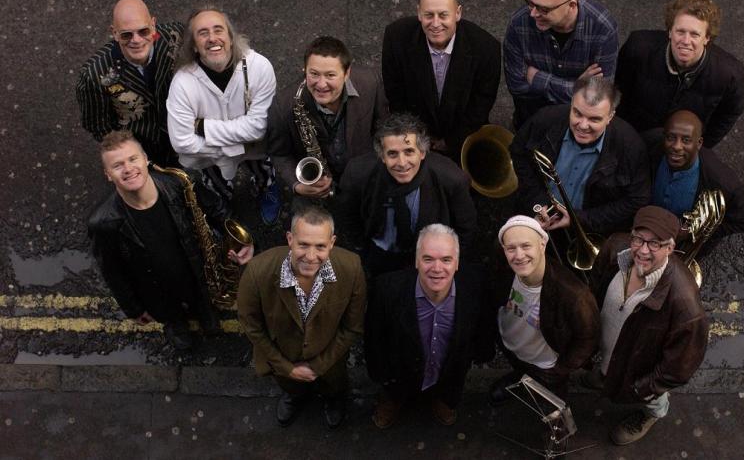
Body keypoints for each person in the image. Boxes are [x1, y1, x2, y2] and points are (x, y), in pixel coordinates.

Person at [88, 131, 253, 351]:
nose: (128, 168)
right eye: (117, 165)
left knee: (201, 299)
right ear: (108, 174)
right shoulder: (102, 223)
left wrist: (241, 239)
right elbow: (112, 271)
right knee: (169, 313)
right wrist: (133, 309)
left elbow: (216, 208)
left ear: (145, 159)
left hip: (195, 271)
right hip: (155, 289)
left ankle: (205, 311)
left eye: (133, 159)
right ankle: (175, 324)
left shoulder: (179, 183)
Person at [585, 206, 708, 445]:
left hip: (640, 373)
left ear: (670, 248)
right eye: (638, 239)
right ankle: (606, 375)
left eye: (655, 244)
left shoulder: (686, 307)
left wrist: (641, 389)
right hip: (611, 353)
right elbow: (594, 288)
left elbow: (677, 369)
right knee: (608, 368)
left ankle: (651, 414)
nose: (643, 250)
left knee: (654, 399)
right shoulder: (614, 248)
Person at [237, 205, 366, 429]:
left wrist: (319, 365)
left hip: (330, 359)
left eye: (320, 246)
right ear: (290, 239)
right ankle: (295, 395)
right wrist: (286, 368)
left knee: (334, 386)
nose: (311, 256)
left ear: (332, 243)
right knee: (291, 386)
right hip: (282, 357)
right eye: (303, 245)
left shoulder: (352, 268)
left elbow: (352, 327)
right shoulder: (257, 271)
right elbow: (252, 327)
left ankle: (333, 398)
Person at [365, 224, 494, 428]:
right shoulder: (386, 289)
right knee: (394, 388)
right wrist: (380, 374)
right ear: (416, 261)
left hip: (449, 368)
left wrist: (479, 354)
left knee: (450, 382)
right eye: (428, 259)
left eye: (446, 260)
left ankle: (442, 399)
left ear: (457, 263)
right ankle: (393, 400)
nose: (437, 268)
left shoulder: (475, 286)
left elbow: (482, 328)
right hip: (399, 370)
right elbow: (375, 338)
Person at [166, 5, 281, 224]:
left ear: (230, 37)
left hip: (249, 147)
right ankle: (221, 206)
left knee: (263, 169)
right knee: (215, 185)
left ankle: (266, 188)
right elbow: (181, 142)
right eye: (203, 33)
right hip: (216, 153)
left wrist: (202, 127)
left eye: (218, 30)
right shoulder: (182, 82)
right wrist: (236, 145)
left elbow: (259, 127)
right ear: (194, 45)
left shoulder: (259, 67)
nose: (212, 38)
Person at [336, 113, 477, 277]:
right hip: (376, 258)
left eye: (409, 152)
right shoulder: (357, 173)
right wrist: (362, 255)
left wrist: (446, 265)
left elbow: (466, 228)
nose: (402, 163)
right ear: (382, 156)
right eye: (392, 154)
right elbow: (347, 219)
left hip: (430, 262)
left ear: (422, 153)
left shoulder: (451, 179)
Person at [510, 76, 649, 237]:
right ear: (571, 104)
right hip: (536, 213)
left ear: (610, 116)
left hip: (587, 230)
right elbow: (519, 152)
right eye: (577, 113)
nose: (582, 125)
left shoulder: (631, 146)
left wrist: (581, 219)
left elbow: (637, 199)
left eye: (594, 119)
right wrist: (537, 201)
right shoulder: (545, 119)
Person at [382, 0, 501, 160]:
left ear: (458, 13)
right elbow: (396, 96)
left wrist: (450, 142)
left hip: (463, 140)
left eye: (443, 15)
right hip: (413, 139)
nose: (436, 23)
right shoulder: (396, 37)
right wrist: (421, 139)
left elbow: (481, 104)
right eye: (429, 15)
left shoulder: (486, 47)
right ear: (419, 13)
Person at [615, 0, 744, 148]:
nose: (686, 40)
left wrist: (698, 146)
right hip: (631, 140)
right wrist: (622, 138)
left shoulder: (729, 74)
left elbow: (731, 112)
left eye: (694, 34)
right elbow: (617, 91)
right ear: (670, 31)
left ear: (707, 38)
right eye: (680, 31)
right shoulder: (638, 48)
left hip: (682, 150)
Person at [490, 216, 599, 403]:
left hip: (547, 365)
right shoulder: (504, 266)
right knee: (521, 370)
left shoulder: (574, 295)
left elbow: (588, 338)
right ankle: (520, 379)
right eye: (511, 248)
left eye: (526, 246)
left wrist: (561, 369)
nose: (519, 256)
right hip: (511, 345)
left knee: (551, 401)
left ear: (542, 244)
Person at [266, 36, 388, 199]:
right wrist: (298, 186)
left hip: (365, 177)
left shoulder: (371, 83)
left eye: (330, 75)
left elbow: (384, 131)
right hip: (315, 186)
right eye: (314, 74)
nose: (321, 84)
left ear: (347, 73)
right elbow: (279, 154)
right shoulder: (283, 104)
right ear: (304, 70)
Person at [504, 0, 619, 128]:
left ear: (571, 5)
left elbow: (596, 97)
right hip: (531, 120)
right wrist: (577, 86)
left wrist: (536, 77)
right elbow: (517, 87)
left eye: (544, 9)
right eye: (530, 3)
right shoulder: (519, 23)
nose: (533, 13)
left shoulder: (602, 28)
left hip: (578, 127)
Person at [76, 0, 183, 166]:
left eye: (144, 31)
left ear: (153, 25)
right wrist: (131, 158)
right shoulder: (94, 74)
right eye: (126, 34)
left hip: (189, 139)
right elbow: (100, 128)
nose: (136, 40)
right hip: (143, 158)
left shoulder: (175, 37)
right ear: (114, 33)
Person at [650, 110, 744, 257]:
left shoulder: (724, 182)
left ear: (699, 143)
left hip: (680, 246)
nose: (677, 146)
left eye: (686, 140)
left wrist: (694, 230)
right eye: (671, 138)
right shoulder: (650, 144)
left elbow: (743, 220)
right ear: (664, 137)